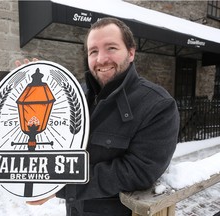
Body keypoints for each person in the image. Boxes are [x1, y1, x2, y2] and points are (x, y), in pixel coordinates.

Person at [20, 17, 180, 216]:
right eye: (93, 51)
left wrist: (60, 186)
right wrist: (35, 85)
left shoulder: (158, 105)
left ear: (131, 53)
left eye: (111, 48)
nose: (101, 59)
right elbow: (51, 133)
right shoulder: (76, 95)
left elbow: (138, 171)